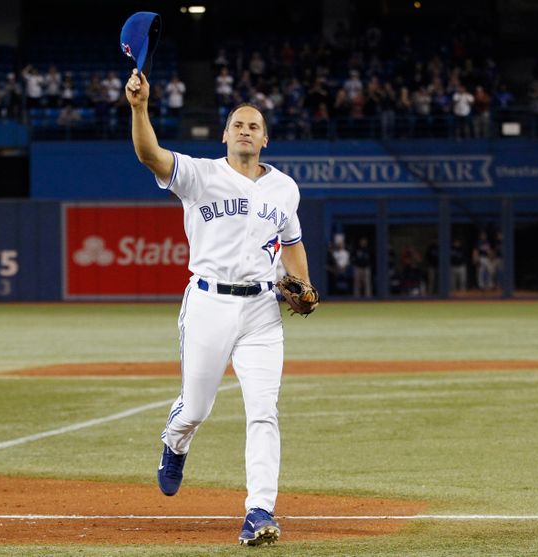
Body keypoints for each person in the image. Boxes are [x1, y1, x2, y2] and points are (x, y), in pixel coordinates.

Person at [126, 68, 314, 546]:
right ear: (225, 135)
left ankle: (259, 512)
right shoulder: (200, 174)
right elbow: (149, 154)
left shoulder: (284, 189)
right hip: (208, 302)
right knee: (196, 407)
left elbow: (291, 242)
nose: (246, 130)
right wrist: (139, 107)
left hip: (262, 313)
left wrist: (303, 284)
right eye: (238, 124)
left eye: (254, 125)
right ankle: (175, 442)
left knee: (264, 411)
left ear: (265, 139)